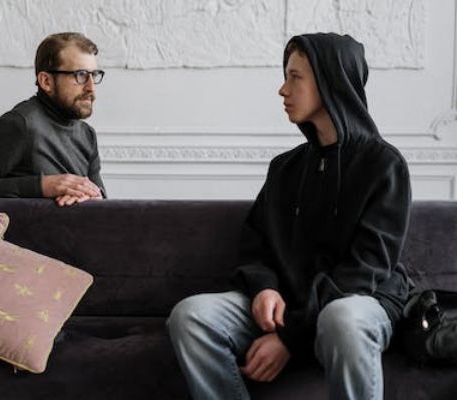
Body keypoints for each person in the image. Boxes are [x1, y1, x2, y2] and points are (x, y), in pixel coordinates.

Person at [167, 33, 412, 400]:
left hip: (360, 302)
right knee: (192, 315)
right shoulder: (285, 168)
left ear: (331, 81)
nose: (283, 89)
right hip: (287, 303)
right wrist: (264, 287)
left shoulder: (384, 164)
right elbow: (256, 243)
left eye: (295, 77)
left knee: (342, 319)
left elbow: (364, 271)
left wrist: (290, 337)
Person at [0, 32, 106, 207]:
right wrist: (43, 186)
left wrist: (94, 197)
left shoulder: (87, 134)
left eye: (94, 75)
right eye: (81, 75)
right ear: (46, 81)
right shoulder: (18, 125)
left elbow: (101, 198)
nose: (91, 87)